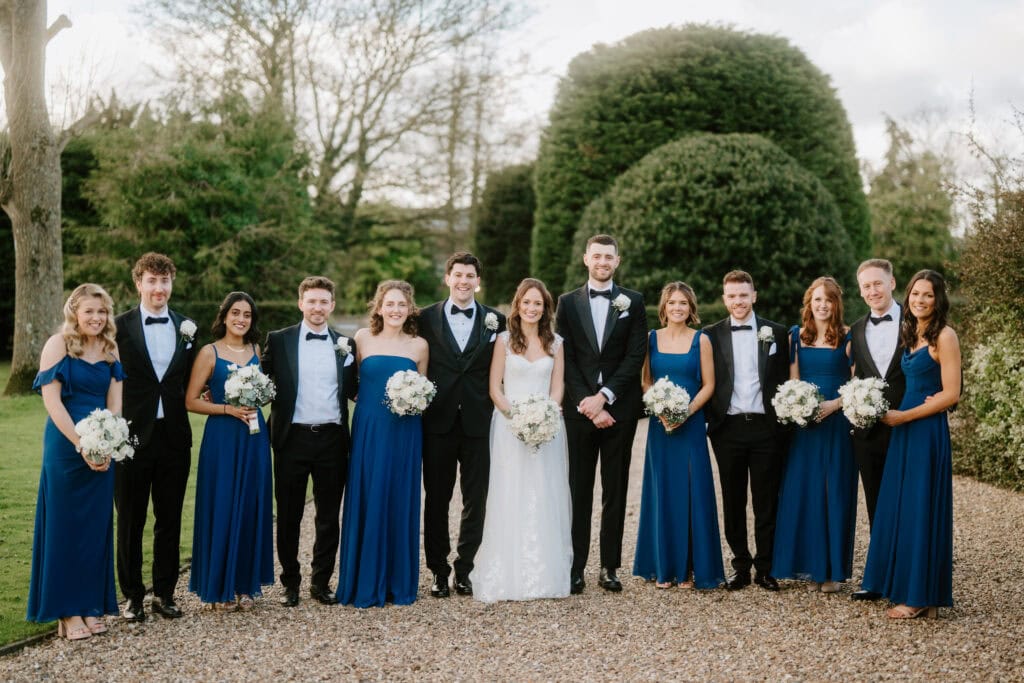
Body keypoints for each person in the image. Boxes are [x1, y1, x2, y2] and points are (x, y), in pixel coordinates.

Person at [862, 270, 960, 619]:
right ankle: (912, 589)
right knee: (902, 507)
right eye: (916, 294)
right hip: (904, 427)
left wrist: (906, 416)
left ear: (938, 300)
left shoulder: (945, 336)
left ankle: (920, 597)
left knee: (921, 508)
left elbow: (952, 393)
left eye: (928, 295)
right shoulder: (912, 332)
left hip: (924, 429)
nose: (920, 300)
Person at [28, 284, 123, 639]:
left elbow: (115, 406)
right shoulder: (58, 345)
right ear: (75, 313)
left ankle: (89, 605)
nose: (96, 318)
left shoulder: (111, 350)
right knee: (65, 527)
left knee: (95, 529)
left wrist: (108, 443)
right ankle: (66, 612)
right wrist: (83, 444)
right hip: (67, 446)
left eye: (102, 312)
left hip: (102, 449)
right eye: (89, 312)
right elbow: (52, 403)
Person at [471, 278, 573, 602]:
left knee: (545, 492)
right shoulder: (503, 340)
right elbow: (495, 388)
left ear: (545, 309)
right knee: (508, 492)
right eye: (526, 302)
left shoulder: (556, 343)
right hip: (509, 426)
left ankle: (544, 573)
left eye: (538, 304)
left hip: (546, 427)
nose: (531, 308)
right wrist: (516, 418)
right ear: (517, 306)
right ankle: (507, 573)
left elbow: (558, 387)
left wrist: (546, 415)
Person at [556, 234, 647, 594]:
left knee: (616, 490)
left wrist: (606, 397)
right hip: (579, 413)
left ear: (617, 261)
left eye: (608, 257)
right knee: (578, 490)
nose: (602, 262)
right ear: (586, 259)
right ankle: (575, 567)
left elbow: (635, 355)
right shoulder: (567, 303)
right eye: (597, 256)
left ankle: (609, 567)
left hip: (619, 411)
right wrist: (587, 402)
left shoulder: (633, 302)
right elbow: (568, 358)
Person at [262, 276, 357, 608]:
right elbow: (259, 381)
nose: (318, 307)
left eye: (324, 301)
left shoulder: (347, 345)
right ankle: (290, 583)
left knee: (329, 516)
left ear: (332, 305)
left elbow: (358, 388)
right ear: (300, 303)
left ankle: (320, 582)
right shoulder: (278, 340)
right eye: (311, 301)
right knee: (288, 514)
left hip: (332, 439)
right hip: (292, 439)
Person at [115, 253, 198, 621]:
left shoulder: (186, 328)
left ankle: (164, 594)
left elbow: (191, 379)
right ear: (138, 284)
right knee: (131, 520)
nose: (159, 288)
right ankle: (132, 596)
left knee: (169, 518)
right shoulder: (118, 327)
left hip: (174, 438)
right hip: (130, 438)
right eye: (152, 281)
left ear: (171, 284)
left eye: (164, 281)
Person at [418, 253, 506, 598]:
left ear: (478, 281)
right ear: (447, 278)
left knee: (476, 500)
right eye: (458, 275)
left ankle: (465, 569)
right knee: (436, 500)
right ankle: (438, 571)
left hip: (478, 422)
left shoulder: (496, 321)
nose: (464, 281)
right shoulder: (424, 318)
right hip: (437, 422)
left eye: (470, 275)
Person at [338, 280, 429, 607]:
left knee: (398, 497)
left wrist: (414, 399)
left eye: (401, 305)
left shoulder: (419, 346)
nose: (395, 310)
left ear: (410, 309)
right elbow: (350, 384)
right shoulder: (362, 339)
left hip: (404, 432)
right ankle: (363, 580)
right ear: (379, 307)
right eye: (389, 304)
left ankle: (397, 582)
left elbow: (424, 391)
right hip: (369, 430)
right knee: (368, 494)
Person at [184, 292, 274, 610]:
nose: (241, 319)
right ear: (224, 316)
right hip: (223, 436)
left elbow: (261, 393)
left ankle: (245, 585)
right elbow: (191, 400)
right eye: (235, 313)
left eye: (247, 314)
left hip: (253, 436)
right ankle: (218, 585)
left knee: (251, 503)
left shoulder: (255, 350)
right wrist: (227, 409)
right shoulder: (209, 353)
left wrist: (258, 399)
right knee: (222, 504)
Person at [632, 282, 724, 590]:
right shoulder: (650, 339)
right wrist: (661, 409)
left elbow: (709, 385)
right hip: (660, 428)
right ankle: (663, 566)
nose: (677, 308)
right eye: (672, 302)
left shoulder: (702, 340)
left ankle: (688, 568)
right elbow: (646, 382)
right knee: (663, 492)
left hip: (691, 425)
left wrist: (685, 412)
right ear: (664, 307)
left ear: (691, 307)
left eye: (683, 303)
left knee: (691, 490)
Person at [704, 270, 789, 591]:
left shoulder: (777, 333)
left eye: (744, 295)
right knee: (733, 499)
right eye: (732, 296)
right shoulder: (710, 335)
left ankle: (766, 567)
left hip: (767, 428)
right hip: (728, 429)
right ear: (724, 299)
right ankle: (740, 565)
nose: (738, 301)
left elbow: (785, 378)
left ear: (754, 295)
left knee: (766, 500)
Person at [771, 277, 858, 593]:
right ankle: (809, 565)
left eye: (829, 300)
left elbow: (856, 383)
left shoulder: (848, 337)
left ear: (836, 305)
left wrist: (833, 405)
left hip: (836, 424)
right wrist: (800, 408)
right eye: (817, 300)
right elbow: (793, 382)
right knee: (805, 491)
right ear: (809, 303)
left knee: (834, 490)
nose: (823, 305)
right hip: (805, 427)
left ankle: (832, 571)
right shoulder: (796, 336)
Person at [848, 259, 906, 602]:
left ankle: (909, 575)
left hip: (907, 423)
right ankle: (878, 576)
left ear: (892, 283)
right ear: (860, 290)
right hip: (868, 432)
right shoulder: (855, 330)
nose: (872, 291)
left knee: (908, 502)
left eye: (878, 284)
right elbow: (856, 375)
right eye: (866, 286)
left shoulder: (916, 323)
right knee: (875, 504)